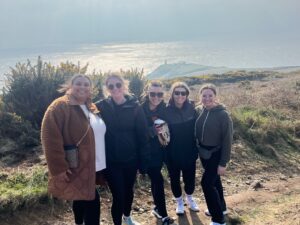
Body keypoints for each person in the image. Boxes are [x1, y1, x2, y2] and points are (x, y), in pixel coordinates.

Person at [41, 74, 106, 225]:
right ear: (70, 86)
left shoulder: (91, 106)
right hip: (76, 165)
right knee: (92, 201)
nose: (82, 87)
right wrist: (58, 168)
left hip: (94, 164)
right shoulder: (60, 106)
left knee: (81, 197)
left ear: (91, 89)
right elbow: (49, 137)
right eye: (78, 83)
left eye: (86, 84)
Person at [95, 73, 150, 225]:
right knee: (118, 195)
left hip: (131, 159)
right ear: (107, 88)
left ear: (124, 86)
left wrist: (143, 162)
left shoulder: (135, 107)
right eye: (111, 86)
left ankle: (127, 217)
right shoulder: (100, 106)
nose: (115, 88)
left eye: (118, 85)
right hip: (111, 161)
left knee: (129, 192)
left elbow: (143, 135)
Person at [195, 83, 233, 225]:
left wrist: (223, 163)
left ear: (215, 96)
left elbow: (228, 140)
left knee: (206, 184)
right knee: (215, 181)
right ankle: (221, 208)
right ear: (200, 97)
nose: (207, 98)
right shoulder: (200, 110)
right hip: (204, 155)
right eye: (204, 95)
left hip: (216, 155)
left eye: (210, 95)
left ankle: (218, 219)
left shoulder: (223, 115)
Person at [141, 80, 174, 225]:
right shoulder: (139, 109)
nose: (156, 97)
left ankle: (156, 207)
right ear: (147, 93)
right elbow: (135, 133)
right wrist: (152, 131)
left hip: (161, 151)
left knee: (156, 180)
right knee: (158, 180)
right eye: (152, 94)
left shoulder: (165, 108)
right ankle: (164, 215)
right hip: (146, 153)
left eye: (159, 94)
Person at [165, 81, 199, 215]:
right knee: (174, 179)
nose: (180, 96)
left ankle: (190, 198)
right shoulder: (166, 110)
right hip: (172, 152)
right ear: (172, 94)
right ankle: (179, 201)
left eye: (183, 93)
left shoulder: (192, 108)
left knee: (190, 178)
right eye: (177, 93)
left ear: (187, 95)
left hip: (189, 150)